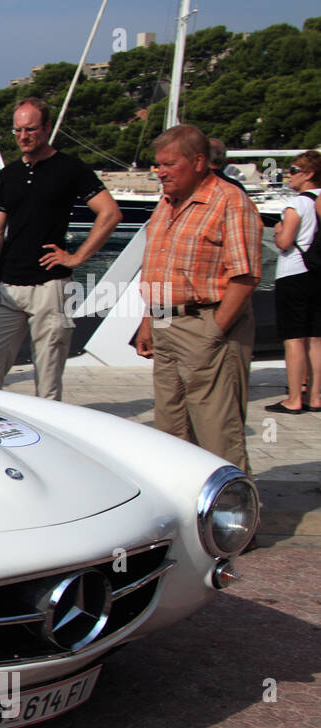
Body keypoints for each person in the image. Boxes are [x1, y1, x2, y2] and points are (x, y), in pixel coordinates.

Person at [0, 97, 121, 400]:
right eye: (17, 131)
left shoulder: (70, 168)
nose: (23, 137)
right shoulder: (10, 174)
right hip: (7, 287)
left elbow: (110, 213)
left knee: (48, 381)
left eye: (30, 129)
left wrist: (78, 256)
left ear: (47, 127)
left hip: (52, 287)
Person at [133, 125, 261, 476]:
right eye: (158, 165)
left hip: (208, 325)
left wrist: (214, 332)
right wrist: (149, 321)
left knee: (217, 434)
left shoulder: (230, 202)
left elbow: (245, 275)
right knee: (170, 432)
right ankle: (186, 514)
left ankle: (234, 524)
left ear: (199, 161)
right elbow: (159, 267)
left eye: (169, 164)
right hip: (166, 324)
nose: (160, 172)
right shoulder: (167, 203)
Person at [265, 150, 321, 414]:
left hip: (294, 273)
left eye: (293, 170)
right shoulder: (319, 201)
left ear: (308, 175)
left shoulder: (297, 204)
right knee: (316, 339)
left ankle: (294, 398)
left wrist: (277, 231)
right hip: (317, 274)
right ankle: (316, 396)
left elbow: (285, 242)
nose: (288, 175)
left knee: (294, 338)